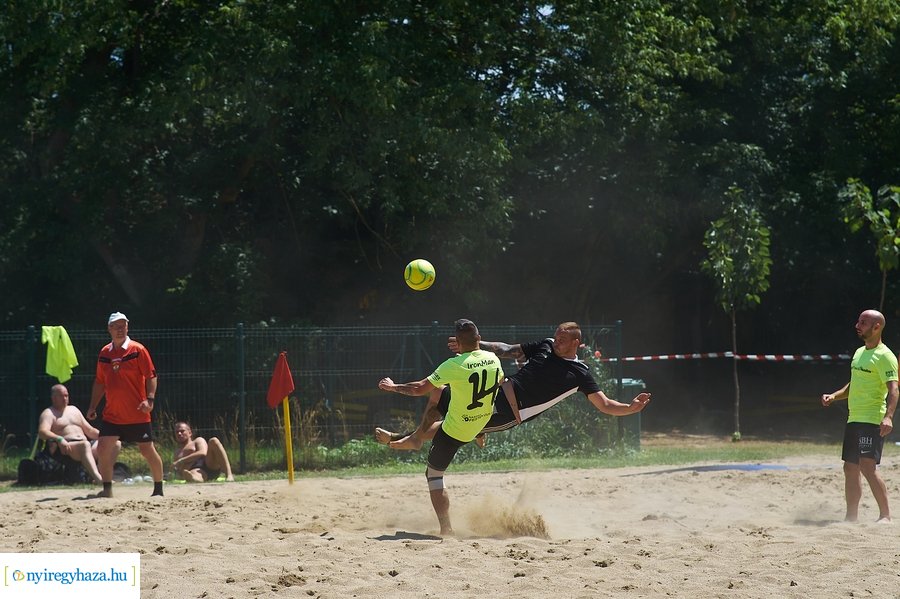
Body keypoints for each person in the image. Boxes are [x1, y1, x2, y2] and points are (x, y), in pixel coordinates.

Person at [376, 321, 651, 449]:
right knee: (439, 394)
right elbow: (507, 349)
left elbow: (604, 405)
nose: (557, 341)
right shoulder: (544, 346)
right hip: (493, 394)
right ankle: (414, 438)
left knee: (449, 428)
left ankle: (406, 439)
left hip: (509, 412)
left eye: (563, 339)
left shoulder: (579, 373)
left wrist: (630, 408)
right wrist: (475, 345)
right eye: (556, 335)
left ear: (576, 344)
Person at [378, 319, 504, 535]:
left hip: (455, 431)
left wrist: (393, 387)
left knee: (434, 475)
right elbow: (498, 383)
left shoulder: (453, 365)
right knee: (440, 393)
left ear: (457, 342)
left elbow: (418, 388)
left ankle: (446, 529)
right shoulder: (493, 359)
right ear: (479, 340)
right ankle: (416, 437)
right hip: (480, 421)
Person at [821, 309, 898, 523]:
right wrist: (833, 396)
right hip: (854, 418)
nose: (857, 325)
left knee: (867, 467)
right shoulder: (858, 353)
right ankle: (851, 517)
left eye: (863, 322)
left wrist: (889, 417)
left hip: (872, 420)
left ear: (877, 327)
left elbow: (894, 389)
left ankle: (885, 515)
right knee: (850, 468)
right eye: (858, 321)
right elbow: (853, 386)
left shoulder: (885, 356)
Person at [87, 311, 165, 498]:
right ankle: (107, 489)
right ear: (109, 329)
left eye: (123, 325)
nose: (120, 329)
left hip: (137, 413)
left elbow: (151, 376)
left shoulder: (138, 350)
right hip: (112, 414)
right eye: (116, 326)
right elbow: (99, 382)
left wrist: (150, 399)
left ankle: (158, 489)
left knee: (147, 450)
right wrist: (92, 406)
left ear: (128, 327)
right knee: (104, 448)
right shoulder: (104, 353)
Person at [38, 383, 106, 483]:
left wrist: (106, 437)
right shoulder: (49, 413)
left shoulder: (74, 410)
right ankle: (98, 478)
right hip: (65, 447)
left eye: (66, 395)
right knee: (84, 445)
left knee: (114, 444)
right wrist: (59, 439)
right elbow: (42, 432)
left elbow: (90, 430)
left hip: (85, 445)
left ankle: (105, 476)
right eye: (61, 396)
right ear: (54, 398)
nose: (65, 398)